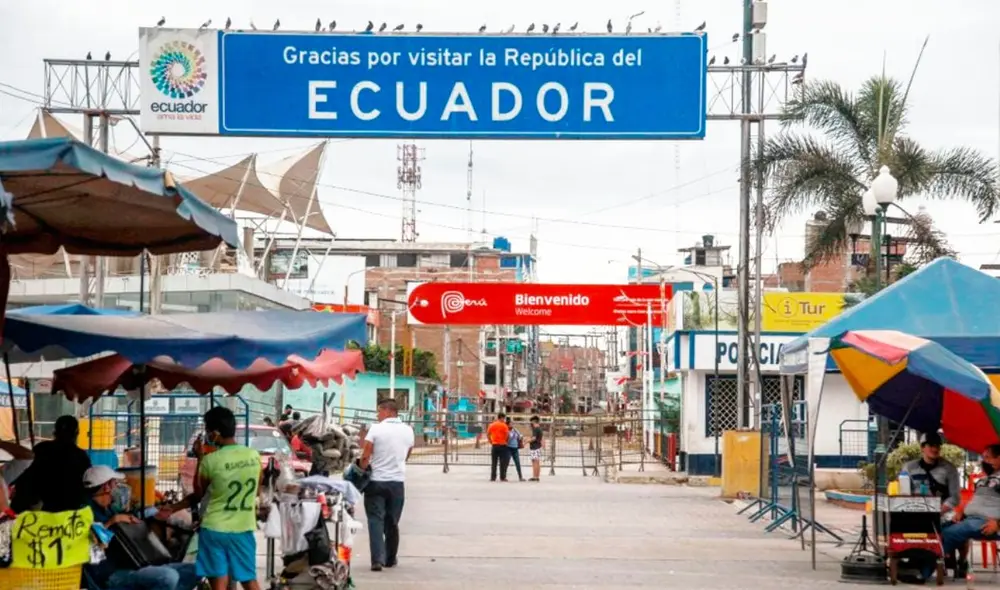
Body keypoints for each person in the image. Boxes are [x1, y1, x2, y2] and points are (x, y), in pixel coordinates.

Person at [159, 407, 262, 590]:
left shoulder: (210, 461)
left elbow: (199, 494)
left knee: (219, 586)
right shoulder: (253, 456)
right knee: (249, 580)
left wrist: (200, 457)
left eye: (207, 430)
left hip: (214, 530)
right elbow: (257, 490)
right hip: (243, 528)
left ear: (215, 433)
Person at [84, 466, 201, 590]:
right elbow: (92, 551)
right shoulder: (87, 513)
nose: (117, 487)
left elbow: (133, 516)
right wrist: (112, 522)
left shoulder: (109, 508)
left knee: (198, 570)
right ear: (106, 487)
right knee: (168, 577)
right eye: (114, 483)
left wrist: (154, 512)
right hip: (111, 575)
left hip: (134, 566)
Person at [359, 398, 414, 572]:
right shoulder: (408, 430)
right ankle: (390, 558)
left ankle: (377, 559)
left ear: (388, 411)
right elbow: (407, 454)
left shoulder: (376, 429)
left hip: (376, 482)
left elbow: (366, 455)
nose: (377, 415)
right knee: (392, 521)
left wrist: (361, 470)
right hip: (397, 483)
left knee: (375, 520)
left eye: (379, 411)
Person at [938, 443, 1000, 577]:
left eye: (988, 457)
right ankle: (953, 562)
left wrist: (998, 524)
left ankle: (926, 568)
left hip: (987, 522)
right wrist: (962, 512)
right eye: (984, 457)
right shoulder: (983, 480)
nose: (985, 461)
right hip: (970, 518)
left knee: (949, 533)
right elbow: (977, 502)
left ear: (999, 458)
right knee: (940, 528)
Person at [11, 415, 91, 512]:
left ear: (55, 432)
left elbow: (25, 475)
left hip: (36, 506)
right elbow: (87, 483)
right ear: (76, 433)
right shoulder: (81, 456)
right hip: (67, 509)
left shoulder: (41, 449)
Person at [904, 432, 961, 513]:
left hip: (941, 516)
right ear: (922, 447)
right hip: (914, 512)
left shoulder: (949, 468)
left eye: (937, 446)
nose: (935, 449)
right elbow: (903, 493)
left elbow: (955, 497)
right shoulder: (909, 467)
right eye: (931, 445)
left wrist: (938, 512)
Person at [487, 413, 511, 482]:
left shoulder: (492, 425)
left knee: (494, 462)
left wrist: (491, 442)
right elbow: (508, 435)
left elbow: (488, 434)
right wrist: (505, 441)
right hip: (503, 445)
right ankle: (502, 477)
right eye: (504, 418)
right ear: (502, 418)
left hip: (494, 445)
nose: (504, 420)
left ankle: (493, 477)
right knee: (502, 463)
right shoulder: (504, 425)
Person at [505, 417, 525, 482]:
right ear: (507, 424)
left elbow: (519, 436)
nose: (512, 425)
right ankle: (504, 476)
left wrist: (521, 437)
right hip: (508, 448)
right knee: (506, 463)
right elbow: (506, 439)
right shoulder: (506, 430)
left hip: (515, 448)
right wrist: (510, 436)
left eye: (512, 423)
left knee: (517, 462)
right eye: (511, 423)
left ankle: (520, 477)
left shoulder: (515, 430)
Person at [528, 415, 544, 482]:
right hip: (538, 447)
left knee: (535, 462)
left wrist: (527, 441)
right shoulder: (539, 428)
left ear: (534, 421)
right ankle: (537, 476)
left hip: (535, 447)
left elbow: (534, 438)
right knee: (537, 462)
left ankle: (535, 476)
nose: (531, 423)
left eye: (531, 422)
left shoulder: (535, 429)